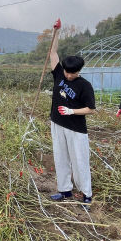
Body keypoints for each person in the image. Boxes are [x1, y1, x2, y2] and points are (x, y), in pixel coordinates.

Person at [47, 34, 96, 204]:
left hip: (75, 128)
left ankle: (86, 194)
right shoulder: (60, 74)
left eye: (72, 73)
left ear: (79, 71)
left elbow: (91, 110)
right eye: (67, 72)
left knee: (79, 160)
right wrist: (57, 31)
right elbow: (53, 53)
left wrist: (71, 111)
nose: (68, 76)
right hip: (57, 123)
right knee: (60, 158)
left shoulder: (85, 86)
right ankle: (64, 190)